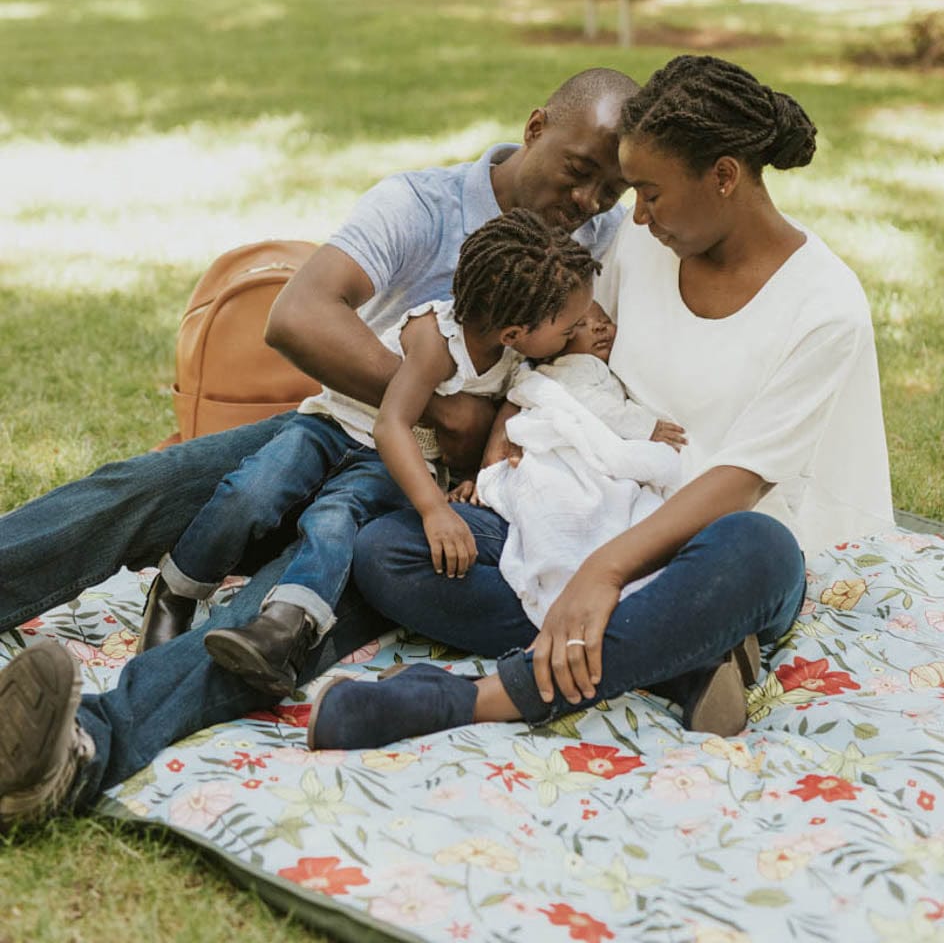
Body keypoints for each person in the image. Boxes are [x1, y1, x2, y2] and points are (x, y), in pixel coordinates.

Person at [0, 66, 639, 827]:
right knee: (142, 487)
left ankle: (73, 755)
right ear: (536, 128)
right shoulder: (422, 205)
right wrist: (439, 407)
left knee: (273, 622)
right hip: (338, 431)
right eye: (579, 172)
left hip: (412, 506)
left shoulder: (608, 243)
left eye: (612, 190)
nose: (588, 202)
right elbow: (296, 315)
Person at [307, 53, 895, 753]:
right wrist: (504, 443)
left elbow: (739, 485)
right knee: (390, 551)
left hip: (708, 548)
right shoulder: (647, 245)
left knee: (760, 550)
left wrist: (604, 571)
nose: (634, 216)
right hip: (587, 509)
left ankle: (475, 699)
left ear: (724, 176)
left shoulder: (825, 308)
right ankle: (676, 655)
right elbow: (566, 353)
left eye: (649, 193)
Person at [140, 210, 600, 698]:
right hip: (333, 428)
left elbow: (493, 416)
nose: (574, 333)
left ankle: (281, 632)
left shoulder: (516, 355)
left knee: (334, 522)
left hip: (389, 464)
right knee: (252, 491)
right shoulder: (435, 338)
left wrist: (470, 478)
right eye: (569, 327)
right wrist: (434, 510)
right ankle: (176, 592)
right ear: (514, 331)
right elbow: (391, 425)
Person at [464, 301, 685, 628]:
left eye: (604, 320)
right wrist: (645, 426)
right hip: (561, 453)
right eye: (581, 325)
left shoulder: (599, 366)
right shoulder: (576, 366)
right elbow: (589, 402)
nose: (599, 327)